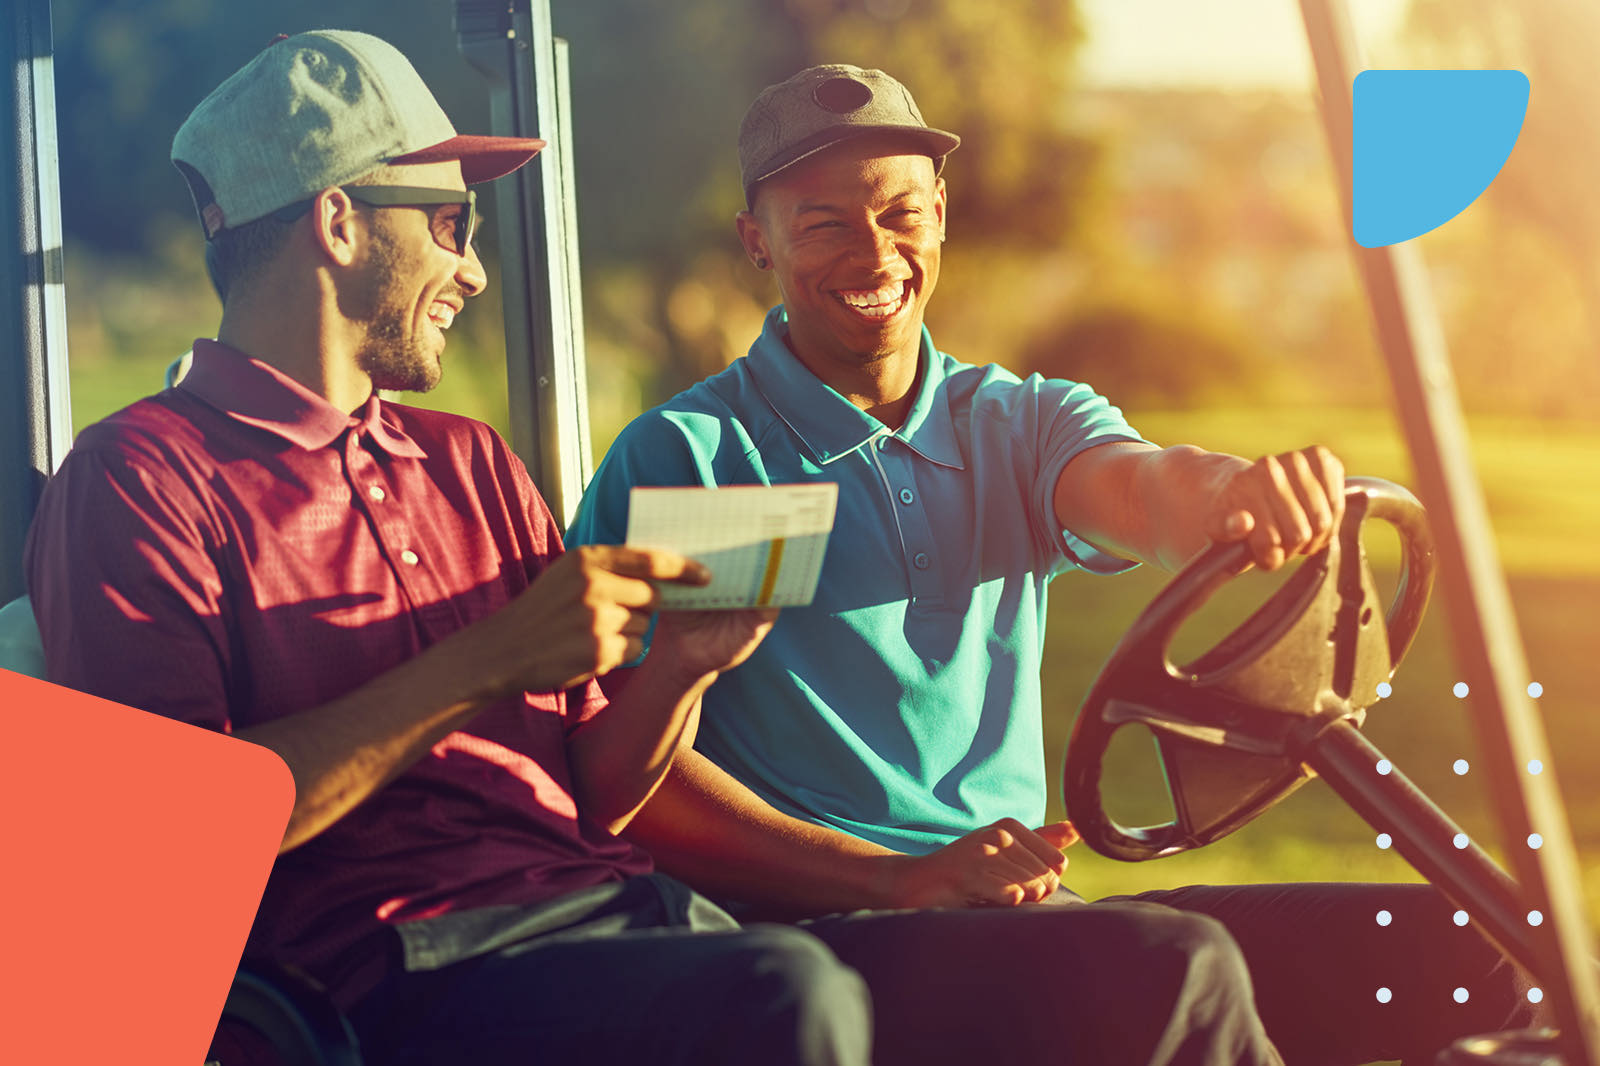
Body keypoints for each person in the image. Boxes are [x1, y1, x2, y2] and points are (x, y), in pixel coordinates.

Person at [568, 63, 1538, 1065]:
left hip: (1018, 914)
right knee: (1169, 961)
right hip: (824, 933)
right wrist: (898, 879)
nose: (875, 252)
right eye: (823, 225)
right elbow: (643, 781)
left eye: (903, 213)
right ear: (756, 242)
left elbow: (1146, 487)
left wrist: (1230, 495)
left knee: (1476, 945)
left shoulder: (1014, 424)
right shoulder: (709, 459)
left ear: (939, 215)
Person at [24, 32, 872, 1066]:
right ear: (338, 220)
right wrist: (492, 657)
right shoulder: (139, 478)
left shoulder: (469, 459)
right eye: (448, 221)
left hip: (612, 917)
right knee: (782, 992)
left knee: (1088, 955)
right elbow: (161, 847)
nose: (471, 267)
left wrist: (680, 672)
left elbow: (592, 788)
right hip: (384, 988)